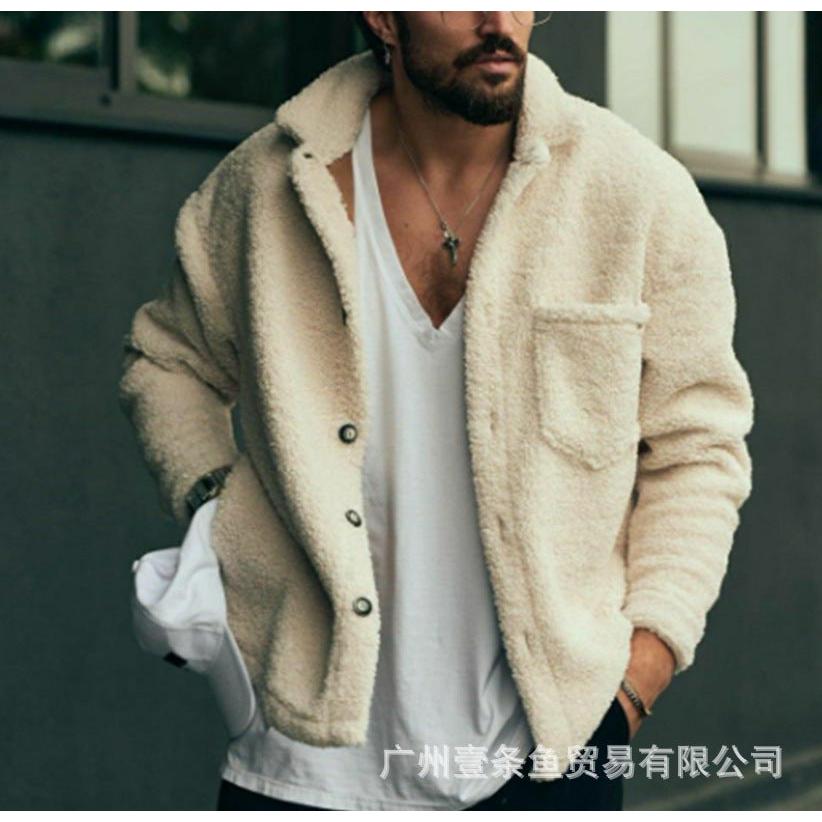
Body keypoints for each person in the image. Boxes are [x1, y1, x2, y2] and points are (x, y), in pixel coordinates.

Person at [118, 10, 755, 811]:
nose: (498, 21)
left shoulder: (637, 194)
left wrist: (639, 675)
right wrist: (220, 507)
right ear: (382, 17)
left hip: (549, 756)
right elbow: (167, 360)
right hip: (303, 762)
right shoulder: (269, 186)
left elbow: (699, 449)